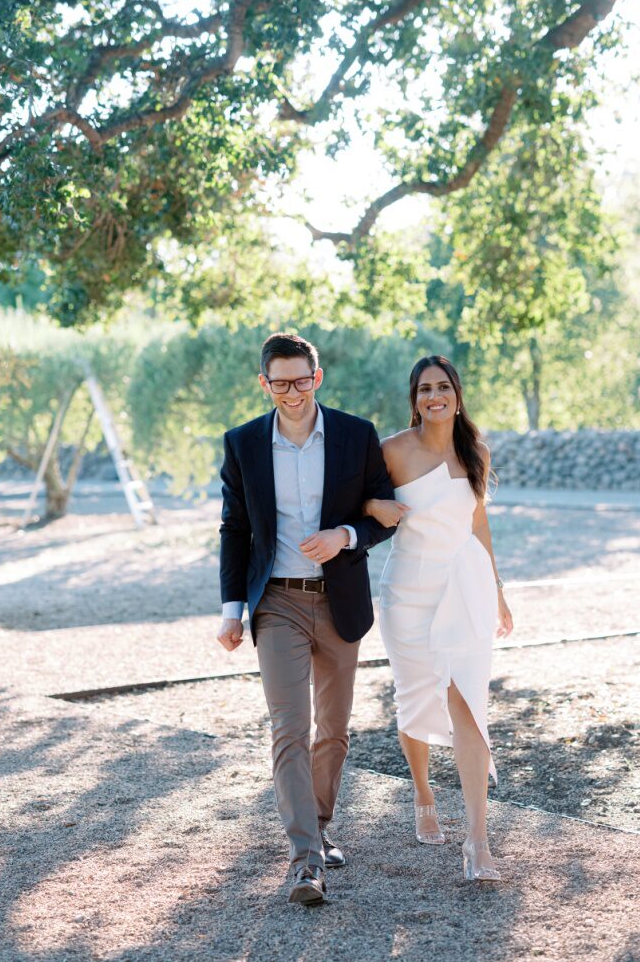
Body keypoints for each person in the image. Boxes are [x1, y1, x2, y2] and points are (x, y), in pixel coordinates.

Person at [216, 332, 396, 905]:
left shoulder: (355, 435)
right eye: (279, 382)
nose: (291, 392)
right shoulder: (243, 443)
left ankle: (319, 825)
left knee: (334, 731)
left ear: (317, 379)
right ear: (263, 383)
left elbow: (383, 512)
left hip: (339, 598)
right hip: (278, 604)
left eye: (301, 380)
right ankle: (305, 863)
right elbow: (235, 530)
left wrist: (344, 536)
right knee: (288, 728)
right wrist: (231, 610)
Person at [365, 355, 514, 881]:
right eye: (425, 388)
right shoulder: (391, 451)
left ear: (456, 394)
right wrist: (372, 508)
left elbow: (480, 524)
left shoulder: (475, 450)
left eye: (443, 387)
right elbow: (358, 502)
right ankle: (423, 790)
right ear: (414, 398)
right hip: (407, 593)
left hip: (466, 586)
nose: (435, 396)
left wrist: (497, 591)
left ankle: (478, 840)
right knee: (414, 695)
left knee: (468, 704)